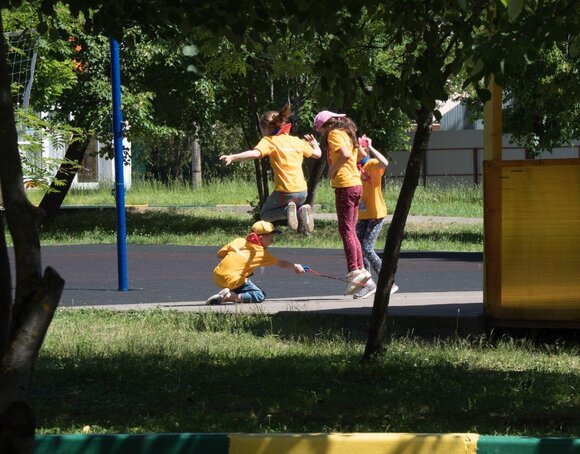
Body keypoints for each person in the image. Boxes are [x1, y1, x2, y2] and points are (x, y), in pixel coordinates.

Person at [220, 104, 322, 234]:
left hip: (284, 191)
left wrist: (233, 157)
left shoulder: (269, 141)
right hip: (302, 192)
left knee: (265, 214)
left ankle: (288, 211)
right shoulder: (296, 140)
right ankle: (301, 210)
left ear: (266, 128)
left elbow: (255, 154)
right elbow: (318, 154)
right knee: (293, 207)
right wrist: (314, 144)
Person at [313, 110, 371, 295]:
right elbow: (361, 154)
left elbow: (345, 155)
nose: (321, 134)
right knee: (351, 230)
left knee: (345, 230)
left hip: (345, 185)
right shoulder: (348, 133)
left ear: (326, 125)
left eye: (320, 130)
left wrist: (332, 171)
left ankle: (354, 270)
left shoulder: (334, 134)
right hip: (355, 184)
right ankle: (361, 270)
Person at [205, 220, 306, 305]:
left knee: (244, 276)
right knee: (259, 295)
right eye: (271, 239)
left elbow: (220, 254)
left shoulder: (238, 241)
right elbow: (281, 263)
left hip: (217, 276)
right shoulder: (261, 253)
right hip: (233, 279)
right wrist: (296, 266)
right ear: (261, 238)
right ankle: (229, 296)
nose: (272, 241)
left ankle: (230, 292)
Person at [353, 135, 399, 299]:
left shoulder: (371, 164)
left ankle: (388, 282)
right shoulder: (354, 167)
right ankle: (368, 284)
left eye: (357, 147)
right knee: (359, 249)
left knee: (367, 248)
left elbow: (384, 163)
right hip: (363, 214)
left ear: (364, 149)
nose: (354, 150)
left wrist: (371, 147)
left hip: (376, 213)